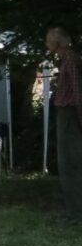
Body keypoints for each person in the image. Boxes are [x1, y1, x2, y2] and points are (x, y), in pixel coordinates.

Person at [46, 27, 82, 223]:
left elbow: (77, 93)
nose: (46, 44)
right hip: (65, 114)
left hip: (69, 115)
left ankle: (77, 213)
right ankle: (74, 211)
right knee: (67, 163)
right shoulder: (68, 59)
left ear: (56, 43)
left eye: (48, 41)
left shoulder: (70, 61)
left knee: (71, 164)